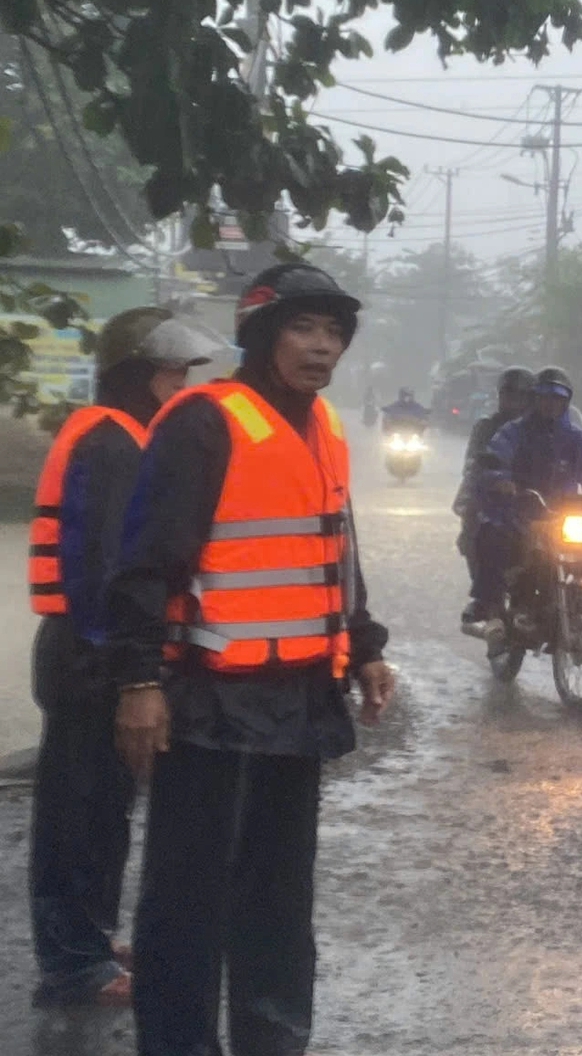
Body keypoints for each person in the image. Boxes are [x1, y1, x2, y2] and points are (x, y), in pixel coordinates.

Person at [102, 263, 396, 1056]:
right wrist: (138, 681)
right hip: (208, 701)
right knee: (187, 901)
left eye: (334, 332)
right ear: (261, 333)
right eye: (304, 328)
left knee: (277, 901)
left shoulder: (324, 427)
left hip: (299, 697)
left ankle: (272, 1042)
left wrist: (363, 644)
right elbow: (146, 562)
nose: (322, 347)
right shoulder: (206, 421)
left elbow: (337, 549)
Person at [27, 307, 223, 1009]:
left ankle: (89, 937)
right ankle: (72, 964)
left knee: (103, 807)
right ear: (138, 374)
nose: (182, 383)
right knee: (79, 812)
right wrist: (130, 674)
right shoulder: (112, 443)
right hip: (91, 653)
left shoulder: (127, 435)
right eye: (172, 370)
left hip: (90, 651)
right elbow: (106, 568)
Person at [467, 367, 582, 629]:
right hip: (519, 511)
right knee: (491, 538)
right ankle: (490, 606)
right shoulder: (513, 432)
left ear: (566, 402)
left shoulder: (574, 438)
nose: (550, 404)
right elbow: (495, 457)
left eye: (557, 399)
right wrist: (500, 479)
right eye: (545, 397)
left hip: (562, 513)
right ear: (534, 399)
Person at [456, 366, 535, 612]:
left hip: (535, 498)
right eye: (509, 395)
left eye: (521, 396)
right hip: (493, 497)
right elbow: (474, 463)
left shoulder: (544, 428)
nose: (514, 401)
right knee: (476, 529)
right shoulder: (487, 427)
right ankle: (486, 598)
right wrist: (495, 480)